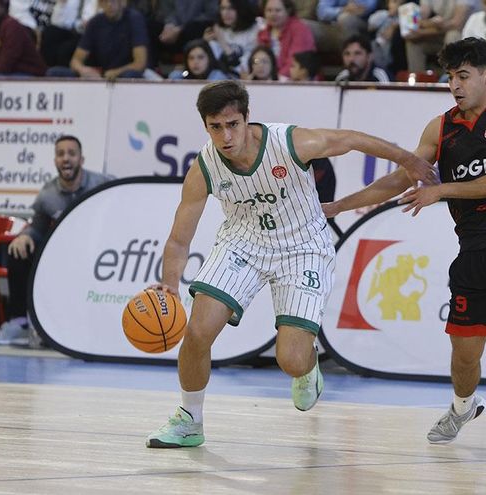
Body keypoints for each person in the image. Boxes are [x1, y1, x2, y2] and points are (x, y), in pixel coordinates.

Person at [322, 37, 486, 450]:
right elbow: (400, 179)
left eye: (463, 76)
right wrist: (338, 206)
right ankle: (463, 406)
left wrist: (441, 190)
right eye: (450, 77)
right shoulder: (440, 127)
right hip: (477, 251)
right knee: (465, 359)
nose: (455, 85)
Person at [145, 80, 437, 448]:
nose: (225, 136)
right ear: (206, 127)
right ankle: (190, 420)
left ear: (248, 118)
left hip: (303, 247)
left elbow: (350, 138)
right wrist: (170, 284)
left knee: (291, 360)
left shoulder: (289, 143)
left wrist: (408, 159)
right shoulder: (204, 166)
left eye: (232, 124)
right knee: (198, 331)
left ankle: (307, 367)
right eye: (215, 127)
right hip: (243, 244)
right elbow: (179, 237)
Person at [0, 136, 114, 345]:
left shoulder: (104, 184)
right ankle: (20, 323)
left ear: (81, 159)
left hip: (99, 254)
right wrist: (24, 237)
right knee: (18, 251)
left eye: (71, 154)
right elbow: (37, 227)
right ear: (55, 161)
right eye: (60, 154)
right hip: (62, 256)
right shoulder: (47, 195)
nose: (66, 158)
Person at [46, 0, 149, 80]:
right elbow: (75, 60)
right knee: (53, 72)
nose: (109, 4)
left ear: (122, 2)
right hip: (102, 75)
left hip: (124, 74)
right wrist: (83, 70)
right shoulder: (95, 22)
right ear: (99, 3)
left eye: (113, 1)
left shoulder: (134, 19)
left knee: (130, 75)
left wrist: (116, 72)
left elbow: (140, 63)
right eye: (104, 1)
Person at [256, 0, 315, 79]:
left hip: (296, 81)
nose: (273, 14)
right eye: (269, 10)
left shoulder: (300, 29)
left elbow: (295, 63)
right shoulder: (262, 33)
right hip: (271, 80)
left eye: (278, 10)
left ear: (288, 10)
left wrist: (275, 80)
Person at [204, 0, 263, 76]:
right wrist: (205, 44)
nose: (226, 13)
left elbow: (242, 69)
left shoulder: (256, 28)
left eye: (231, 8)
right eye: (223, 8)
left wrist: (223, 44)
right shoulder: (218, 30)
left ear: (241, 8)